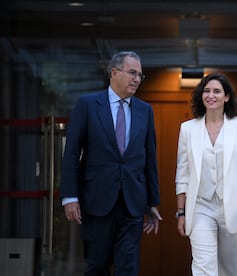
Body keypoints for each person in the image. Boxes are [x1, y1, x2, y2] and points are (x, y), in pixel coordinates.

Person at [60, 51, 162, 276]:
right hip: (97, 201)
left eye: (140, 76)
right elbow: (71, 154)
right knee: (97, 265)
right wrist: (69, 196)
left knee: (128, 267)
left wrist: (153, 202)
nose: (137, 79)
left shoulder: (145, 110)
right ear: (114, 73)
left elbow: (149, 158)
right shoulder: (87, 105)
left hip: (132, 203)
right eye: (132, 73)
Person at [175, 72, 237, 276]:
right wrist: (181, 212)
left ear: (227, 97)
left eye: (216, 91)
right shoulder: (187, 129)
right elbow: (183, 172)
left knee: (233, 270)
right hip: (200, 207)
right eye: (206, 91)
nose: (211, 95)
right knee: (203, 267)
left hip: (235, 206)